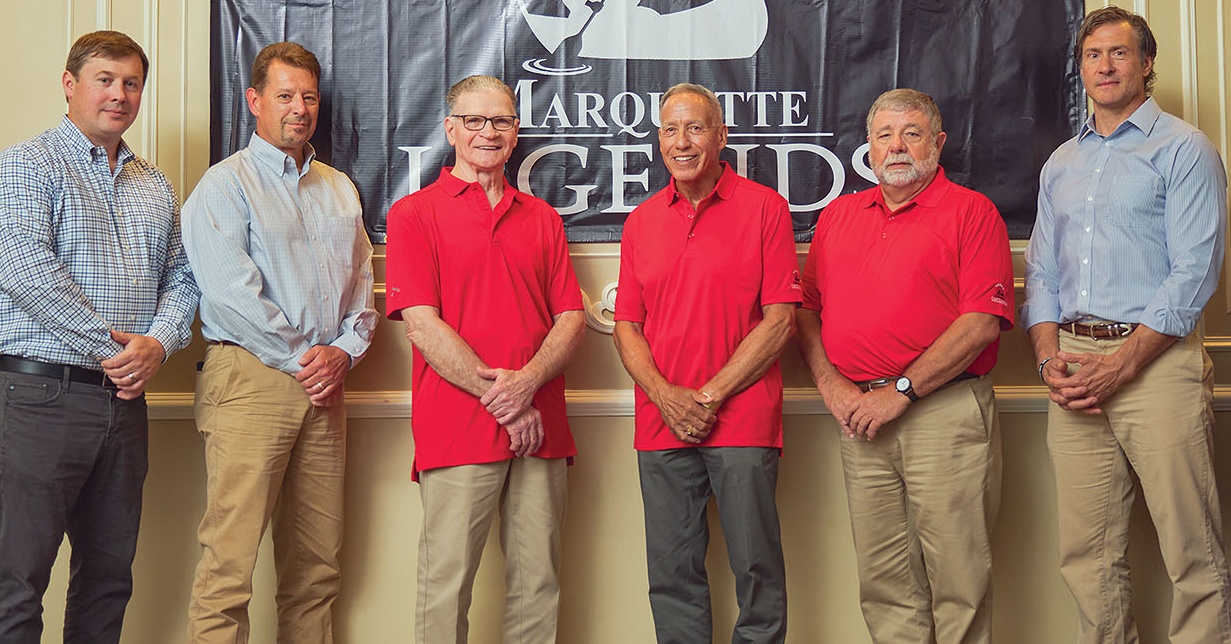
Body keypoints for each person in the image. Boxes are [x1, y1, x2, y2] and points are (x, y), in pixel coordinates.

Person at [0, 29, 199, 643]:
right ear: (69, 85)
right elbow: (24, 271)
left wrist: (159, 343)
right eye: (104, 79)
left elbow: (183, 279)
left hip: (124, 403)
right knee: (21, 577)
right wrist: (115, 349)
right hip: (42, 396)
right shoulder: (25, 165)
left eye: (131, 83)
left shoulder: (153, 186)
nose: (119, 94)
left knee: (108, 576)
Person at [1023, 6, 1231, 644]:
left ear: (1146, 64)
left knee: (1190, 547)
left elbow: (1195, 268)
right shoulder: (1061, 163)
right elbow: (1042, 272)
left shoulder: (1184, 148)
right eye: (1094, 55)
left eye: (1120, 54)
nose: (1106, 66)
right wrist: (1046, 357)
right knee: (1087, 555)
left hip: (1157, 362)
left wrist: (1126, 361)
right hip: (1073, 366)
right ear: (1081, 68)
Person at [795, 89, 1015, 644]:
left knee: (958, 580)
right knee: (884, 582)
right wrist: (832, 388)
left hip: (942, 412)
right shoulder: (839, 216)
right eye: (883, 136)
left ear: (938, 143)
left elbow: (980, 323)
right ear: (867, 149)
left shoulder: (972, 211)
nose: (896, 147)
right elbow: (806, 312)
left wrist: (902, 390)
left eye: (911, 133)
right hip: (858, 418)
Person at [182, 41, 376, 644]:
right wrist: (305, 358)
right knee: (229, 568)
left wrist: (343, 351)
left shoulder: (339, 188)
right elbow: (229, 293)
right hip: (251, 381)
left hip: (326, 387)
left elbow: (364, 287)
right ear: (255, 101)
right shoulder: (224, 186)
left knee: (317, 569)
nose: (300, 108)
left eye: (309, 97)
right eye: (286, 96)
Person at [386, 75, 586, 644]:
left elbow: (571, 318)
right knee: (447, 584)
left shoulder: (543, 217)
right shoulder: (413, 214)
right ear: (450, 129)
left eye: (500, 121)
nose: (487, 132)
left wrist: (526, 386)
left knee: (539, 583)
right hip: (457, 426)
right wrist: (505, 399)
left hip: (541, 424)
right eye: (474, 120)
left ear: (516, 132)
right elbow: (422, 326)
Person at [613, 83, 800, 644]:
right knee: (672, 574)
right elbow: (626, 326)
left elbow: (781, 320)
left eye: (695, 128)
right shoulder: (641, 221)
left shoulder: (766, 208)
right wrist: (668, 395)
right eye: (670, 130)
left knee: (756, 568)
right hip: (660, 422)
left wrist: (709, 395)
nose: (682, 141)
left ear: (721, 136)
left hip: (742, 419)